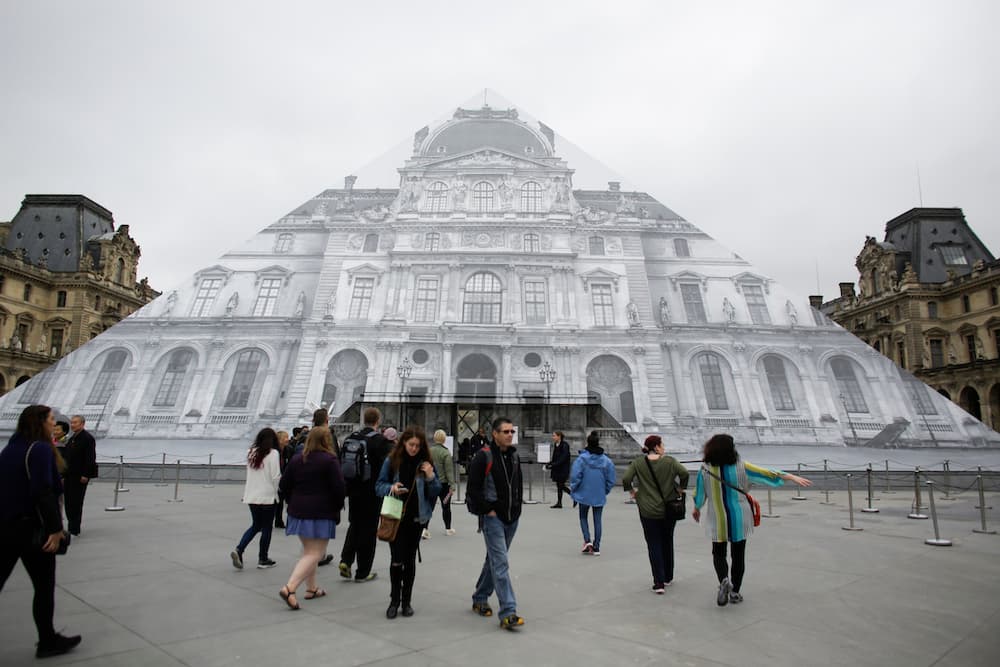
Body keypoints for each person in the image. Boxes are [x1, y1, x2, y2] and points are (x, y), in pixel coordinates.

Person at [692, 433, 812, 605]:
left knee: (718, 553)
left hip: (717, 517)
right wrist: (790, 476)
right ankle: (735, 592)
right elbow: (767, 473)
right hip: (740, 516)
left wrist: (696, 508)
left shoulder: (704, 469)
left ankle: (724, 580)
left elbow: (700, 493)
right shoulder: (741, 466)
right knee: (738, 555)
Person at [0, 405, 81, 658]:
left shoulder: (11, 448)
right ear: (39, 423)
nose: (54, 424)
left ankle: (48, 639)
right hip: (33, 530)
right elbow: (43, 492)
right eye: (50, 420)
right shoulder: (42, 449)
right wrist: (56, 530)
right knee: (44, 588)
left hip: (6, 527)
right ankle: (47, 641)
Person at [375, 427, 441, 618]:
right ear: (403, 443)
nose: (414, 448)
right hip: (395, 517)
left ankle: (407, 601)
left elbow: (436, 490)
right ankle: (394, 600)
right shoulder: (392, 461)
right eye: (411, 444)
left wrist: (430, 477)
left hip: (416, 518)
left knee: (410, 559)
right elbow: (379, 485)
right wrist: (392, 487)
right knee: (396, 560)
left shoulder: (425, 464)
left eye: (417, 446)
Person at [277, 426, 346, 610]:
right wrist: (337, 506)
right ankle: (290, 588)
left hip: (298, 511)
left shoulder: (297, 459)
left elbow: (284, 485)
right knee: (316, 553)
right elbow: (339, 488)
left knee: (308, 551)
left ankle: (312, 588)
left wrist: (293, 501)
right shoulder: (330, 460)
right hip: (322, 512)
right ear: (326, 441)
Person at [466, 417, 525, 631]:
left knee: (494, 559)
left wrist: (518, 507)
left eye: (512, 431)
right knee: (500, 562)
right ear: (495, 434)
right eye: (506, 431)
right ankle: (508, 611)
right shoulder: (483, 457)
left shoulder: (515, 456)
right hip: (493, 518)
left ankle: (480, 596)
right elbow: (472, 488)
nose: (510, 435)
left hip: (512, 517)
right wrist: (487, 509)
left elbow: (517, 483)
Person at [621, 435, 689, 593]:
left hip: (647, 509)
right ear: (657, 447)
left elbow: (626, 478)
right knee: (667, 540)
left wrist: (632, 492)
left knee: (653, 544)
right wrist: (680, 488)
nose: (663, 447)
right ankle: (668, 577)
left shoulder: (638, 463)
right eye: (662, 444)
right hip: (668, 509)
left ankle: (658, 583)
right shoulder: (670, 461)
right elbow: (684, 473)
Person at [338, 407, 391, 582]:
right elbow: (387, 467)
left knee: (354, 526)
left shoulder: (351, 438)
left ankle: (346, 560)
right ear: (377, 421)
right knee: (368, 531)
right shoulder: (379, 441)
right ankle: (363, 571)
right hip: (372, 492)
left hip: (353, 490)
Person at [231, 428, 282, 570]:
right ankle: (263, 558)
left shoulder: (251, 452)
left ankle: (239, 549)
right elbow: (275, 476)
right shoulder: (273, 453)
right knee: (266, 527)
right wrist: (278, 492)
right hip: (267, 496)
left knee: (256, 525)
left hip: (252, 496)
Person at [569, 431, 616, 556]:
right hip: (599, 493)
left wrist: (574, 489)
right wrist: (605, 490)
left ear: (587, 443)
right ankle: (597, 546)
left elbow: (575, 476)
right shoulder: (606, 461)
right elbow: (611, 479)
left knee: (583, 517)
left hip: (583, 493)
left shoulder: (581, 459)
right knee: (597, 520)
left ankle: (587, 540)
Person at [63, 415, 98, 536]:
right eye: (72, 423)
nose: (72, 425)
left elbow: (90, 458)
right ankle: (71, 525)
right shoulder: (73, 437)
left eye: (75, 423)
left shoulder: (87, 438)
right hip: (69, 474)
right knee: (68, 501)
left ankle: (74, 528)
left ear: (82, 424)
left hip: (79, 476)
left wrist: (86, 474)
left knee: (76, 501)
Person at [425, 429, 456, 537]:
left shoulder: (429, 451)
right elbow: (449, 471)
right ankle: (448, 528)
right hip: (444, 485)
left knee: (429, 506)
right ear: (444, 439)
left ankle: (425, 528)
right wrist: (452, 485)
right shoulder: (446, 453)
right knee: (446, 506)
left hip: (432, 483)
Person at [546, 431, 572, 508]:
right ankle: (559, 502)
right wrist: (550, 463)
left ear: (559, 436)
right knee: (560, 485)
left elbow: (563, 458)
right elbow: (555, 457)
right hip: (557, 468)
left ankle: (574, 496)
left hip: (563, 469)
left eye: (554, 436)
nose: (553, 437)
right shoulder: (556, 445)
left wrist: (553, 465)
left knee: (561, 485)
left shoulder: (565, 445)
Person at [274, 430, 291, 529]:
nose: (287, 439)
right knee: (277, 502)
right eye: (285, 437)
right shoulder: (274, 452)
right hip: (277, 479)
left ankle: (280, 521)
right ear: (279, 440)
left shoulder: (288, 450)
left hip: (285, 479)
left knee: (283, 501)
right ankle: (277, 519)